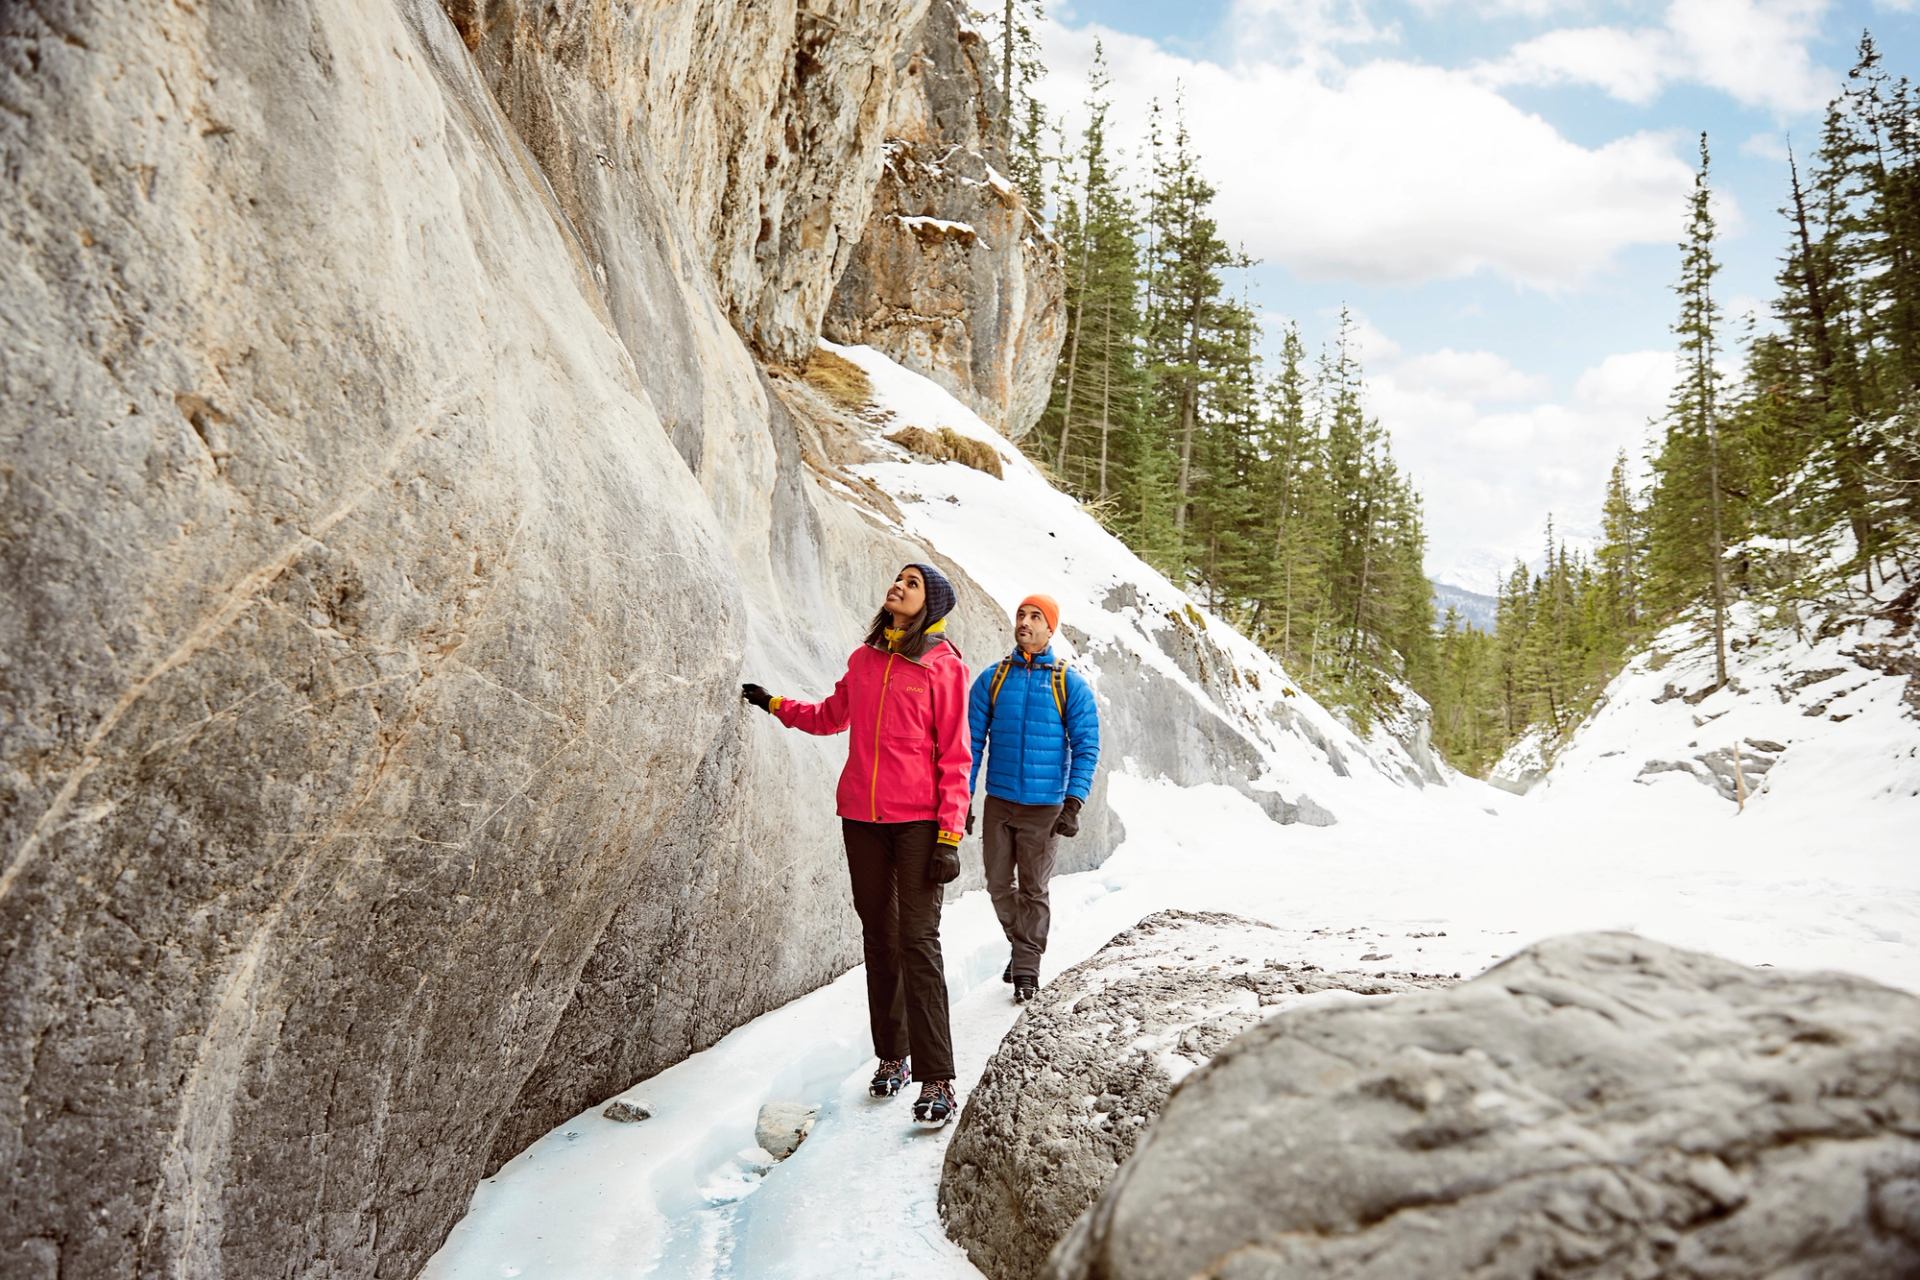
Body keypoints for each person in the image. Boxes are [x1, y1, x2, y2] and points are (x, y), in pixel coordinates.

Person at [740, 563, 971, 1125]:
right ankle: (892, 1056)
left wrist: (949, 834)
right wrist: (775, 705)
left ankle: (937, 1077)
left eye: (912, 583)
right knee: (879, 937)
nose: (898, 586)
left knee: (918, 941)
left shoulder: (944, 668)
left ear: (931, 603)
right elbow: (830, 716)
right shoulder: (865, 660)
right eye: (897, 578)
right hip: (861, 819)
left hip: (919, 824)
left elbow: (956, 755)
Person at [966, 594, 1100, 1004]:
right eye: (1021, 614)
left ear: (1050, 627)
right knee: (996, 884)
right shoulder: (993, 679)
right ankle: (1023, 945)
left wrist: (1073, 801)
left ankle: (1026, 967)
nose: (1024, 621)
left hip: (1045, 807)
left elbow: (1086, 745)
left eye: (1034, 616)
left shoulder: (1067, 683)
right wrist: (961, 799)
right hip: (1000, 802)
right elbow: (970, 744)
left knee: (1034, 888)